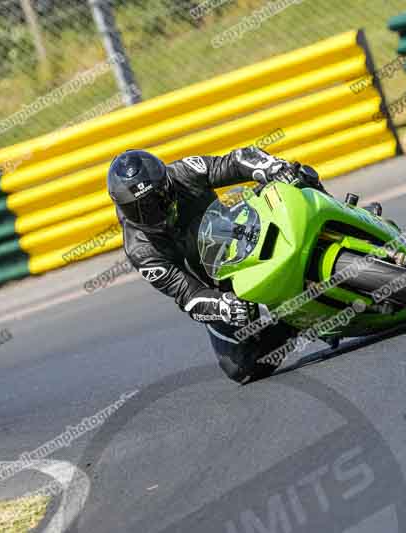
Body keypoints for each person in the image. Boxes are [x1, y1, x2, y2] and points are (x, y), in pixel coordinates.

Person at [107, 146, 326, 383]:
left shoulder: (184, 172)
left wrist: (270, 167)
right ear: (122, 208)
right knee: (238, 368)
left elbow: (234, 161)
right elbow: (187, 295)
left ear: (167, 184)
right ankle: (290, 324)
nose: (153, 213)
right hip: (223, 283)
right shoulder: (141, 251)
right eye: (139, 209)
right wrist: (222, 307)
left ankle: (351, 216)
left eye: (157, 200)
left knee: (296, 176)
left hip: (246, 228)